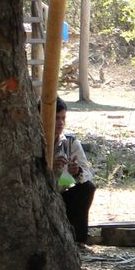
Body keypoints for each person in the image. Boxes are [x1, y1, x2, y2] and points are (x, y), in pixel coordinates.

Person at [52, 96, 96, 245]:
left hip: (63, 193)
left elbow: (85, 174)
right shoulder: (33, 142)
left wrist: (75, 172)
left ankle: (78, 239)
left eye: (63, 118)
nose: (60, 123)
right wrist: (47, 166)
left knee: (87, 188)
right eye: (56, 118)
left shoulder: (70, 143)